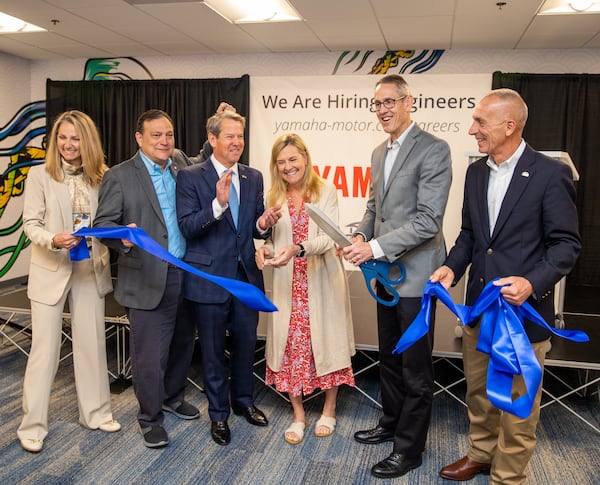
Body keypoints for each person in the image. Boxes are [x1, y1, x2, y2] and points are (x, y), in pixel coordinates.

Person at [431, 89, 581, 484]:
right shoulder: (476, 172)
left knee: (517, 406)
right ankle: (481, 454)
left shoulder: (550, 174)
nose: (472, 130)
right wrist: (450, 268)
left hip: (522, 316)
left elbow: (566, 245)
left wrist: (532, 282)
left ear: (509, 125)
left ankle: (509, 476)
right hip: (480, 310)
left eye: (480, 122)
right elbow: (470, 235)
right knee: (478, 394)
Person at [342, 74, 452, 479]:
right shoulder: (377, 152)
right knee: (389, 356)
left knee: (416, 368)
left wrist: (372, 248)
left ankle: (410, 449)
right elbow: (375, 208)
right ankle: (391, 424)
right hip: (387, 276)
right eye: (378, 103)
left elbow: (427, 222)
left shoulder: (434, 150)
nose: (384, 110)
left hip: (418, 278)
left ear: (410, 102)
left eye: (391, 101)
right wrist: (359, 234)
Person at [93, 109, 199, 449]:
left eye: (168, 134)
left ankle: (172, 396)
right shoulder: (121, 176)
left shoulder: (180, 165)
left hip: (184, 272)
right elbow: (103, 224)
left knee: (183, 343)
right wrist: (121, 237)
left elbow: (205, 156)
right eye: (156, 135)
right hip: (146, 279)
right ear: (139, 138)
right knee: (149, 354)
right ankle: (149, 417)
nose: (164, 141)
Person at [176, 110, 282, 446]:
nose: (237, 142)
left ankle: (244, 402)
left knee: (245, 345)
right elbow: (188, 228)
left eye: (240, 136)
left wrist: (263, 224)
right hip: (209, 279)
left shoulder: (253, 176)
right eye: (230, 136)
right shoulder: (191, 177)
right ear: (212, 139)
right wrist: (218, 206)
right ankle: (219, 415)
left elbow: (251, 228)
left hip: (246, 279)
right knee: (211, 351)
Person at [17, 110, 120, 453]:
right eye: (62, 137)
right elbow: (30, 223)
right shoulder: (39, 175)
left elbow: (108, 221)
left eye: (75, 138)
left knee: (91, 344)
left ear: (87, 141)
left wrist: (124, 233)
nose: (68, 144)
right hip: (51, 269)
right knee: (44, 351)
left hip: (90, 269)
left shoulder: (103, 176)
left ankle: (96, 412)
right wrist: (52, 239)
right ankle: (32, 426)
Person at [255, 134, 356, 445]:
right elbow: (270, 238)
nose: (288, 167)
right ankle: (298, 414)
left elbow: (331, 238)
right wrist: (264, 244)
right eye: (281, 162)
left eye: (292, 160)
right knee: (291, 348)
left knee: (326, 343)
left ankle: (329, 409)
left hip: (321, 277)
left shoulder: (324, 191)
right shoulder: (273, 195)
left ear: (305, 159)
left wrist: (298, 247)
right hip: (289, 283)